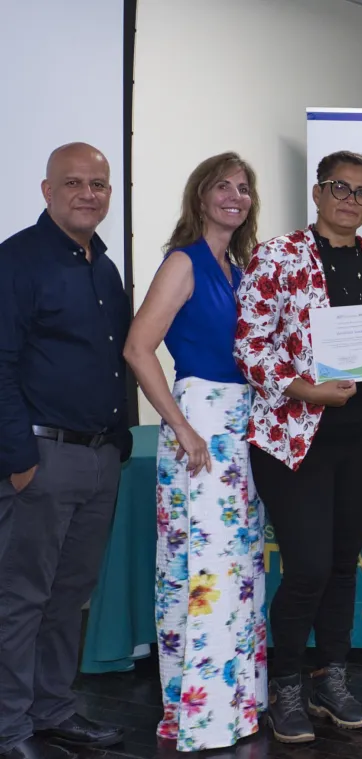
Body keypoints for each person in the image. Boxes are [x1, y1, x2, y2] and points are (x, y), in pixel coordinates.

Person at [235, 150, 362, 742]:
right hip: (294, 439)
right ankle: (285, 686)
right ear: (317, 192)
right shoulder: (277, 256)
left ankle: (330, 678)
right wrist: (308, 389)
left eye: (361, 192)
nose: (350, 199)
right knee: (306, 567)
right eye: (340, 187)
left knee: (340, 566)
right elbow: (252, 346)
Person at [123, 152, 267, 750]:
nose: (235, 196)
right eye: (223, 187)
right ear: (200, 195)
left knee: (235, 571)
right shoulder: (183, 262)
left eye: (244, 188)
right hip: (202, 423)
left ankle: (233, 704)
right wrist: (181, 427)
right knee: (204, 570)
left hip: (242, 426)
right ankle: (203, 715)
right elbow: (136, 347)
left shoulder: (238, 267)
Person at [0, 143, 130, 759]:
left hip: (101, 458)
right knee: (21, 599)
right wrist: (20, 459)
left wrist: (121, 441)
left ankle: (52, 709)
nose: (88, 194)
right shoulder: (16, 262)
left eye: (99, 184)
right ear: (47, 191)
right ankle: (8, 727)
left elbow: (113, 361)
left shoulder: (103, 267)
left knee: (69, 594)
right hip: (41, 460)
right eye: (74, 183)